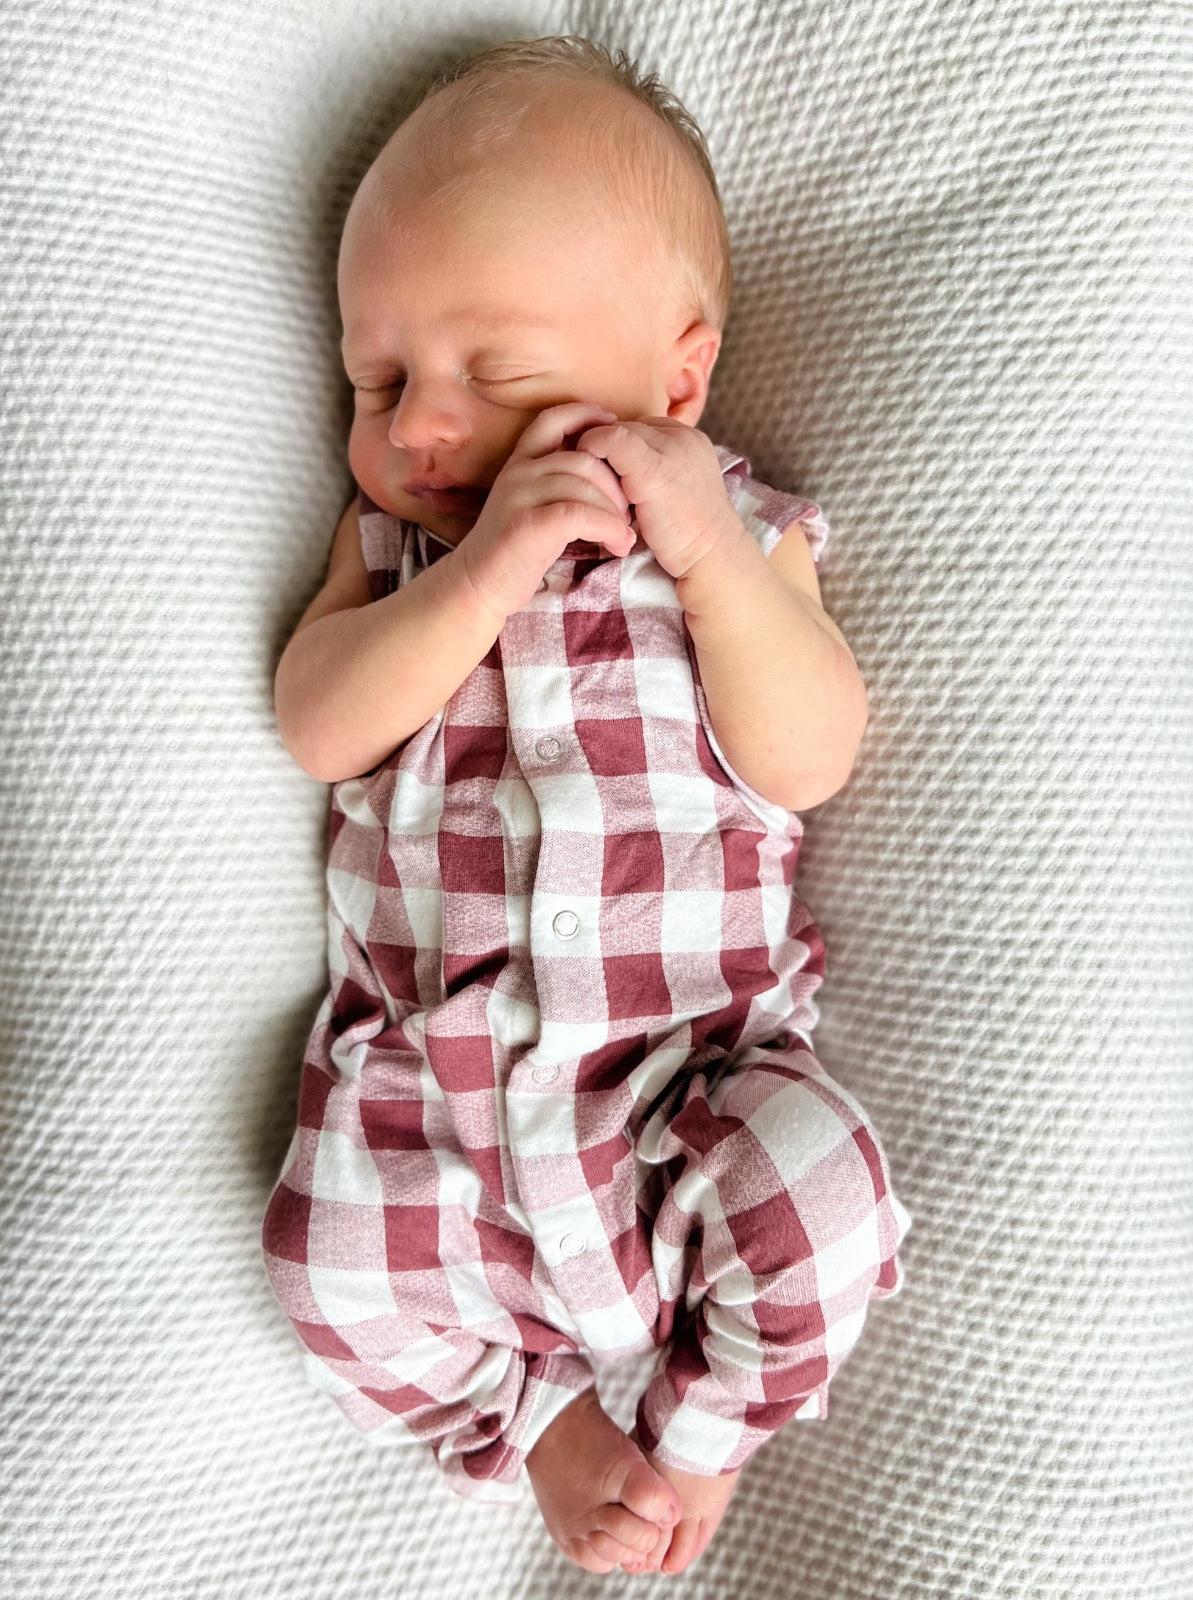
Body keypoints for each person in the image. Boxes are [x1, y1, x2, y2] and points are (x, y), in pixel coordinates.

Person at [261, 33, 911, 1578]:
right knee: (323, 1260)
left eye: (497, 375)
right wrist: (477, 576)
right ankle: (536, 1419)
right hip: (433, 1106)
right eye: (378, 377)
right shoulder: (398, 557)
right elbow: (320, 725)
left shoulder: (738, 542)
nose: (419, 424)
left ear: (674, 379)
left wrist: (703, 558)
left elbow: (810, 749)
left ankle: (701, 1438)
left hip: (683, 1083)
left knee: (822, 1188)